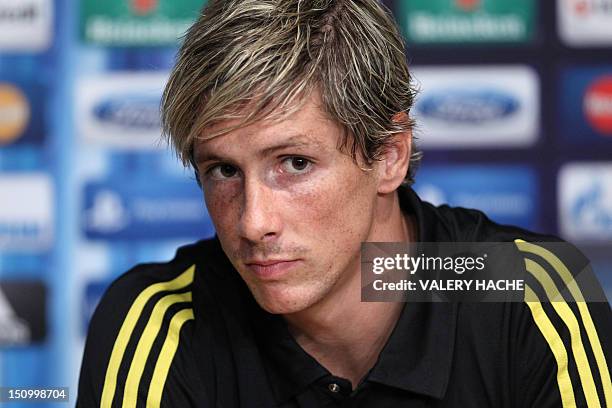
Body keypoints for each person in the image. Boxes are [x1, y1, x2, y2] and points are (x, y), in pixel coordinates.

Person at [77, 0, 612, 407]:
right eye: (223, 170)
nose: (252, 222)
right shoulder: (160, 317)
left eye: (295, 163)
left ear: (389, 157)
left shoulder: (524, 293)